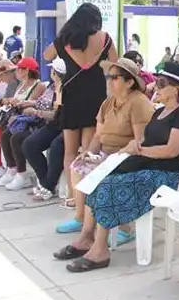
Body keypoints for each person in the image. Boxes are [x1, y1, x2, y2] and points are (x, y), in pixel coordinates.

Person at [55, 62, 179, 273]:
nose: (156, 86)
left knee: (106, 185)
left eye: (161, 83)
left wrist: (137, 150)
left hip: (164, 175)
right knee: (97, 179)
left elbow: (171, 151)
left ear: (177, 88)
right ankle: (87, 237)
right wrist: (132, 148)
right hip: (146, 165)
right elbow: (145, 141)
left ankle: (99, 249)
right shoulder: (160, 112)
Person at [56, 57, 155, 237]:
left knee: (100, 175)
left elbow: (140, 140)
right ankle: (81, 218)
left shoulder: (139, 103)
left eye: (114, 77)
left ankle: (124, 227)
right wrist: (89, 152)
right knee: (78, 166)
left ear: (130, 82)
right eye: (108, 77)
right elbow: (98, 135)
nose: (109, 80)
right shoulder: (109, 102)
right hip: (107, 153)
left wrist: (113, 156)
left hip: (129, 157)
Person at [43, 2, 119, 218]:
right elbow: (115, 63)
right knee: (88, 150)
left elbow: (47, 55)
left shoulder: (65, 39)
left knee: (69, 151)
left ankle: (73, 196)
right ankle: (87, 199)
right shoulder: (105, 38)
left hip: (72, 95)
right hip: (95, 94)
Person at [0, 57, 47, 181]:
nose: (16, 71)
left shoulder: (37, 85)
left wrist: (17, 103)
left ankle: (19, 172)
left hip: (29, 122)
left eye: (18, 69)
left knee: (11, 137)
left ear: (26, 70)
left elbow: (34, 104)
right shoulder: (20, 84)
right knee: (0, 134)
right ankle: (10, 169)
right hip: (17, 119)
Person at [23, 58, 69, 203]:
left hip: (67, 125)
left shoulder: (66, 88)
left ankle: (49, 186)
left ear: (55, 73)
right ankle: (45, 182)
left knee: (57, 146)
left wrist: (36, 113)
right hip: (53, 124)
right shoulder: (52, 87)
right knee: (29, 144)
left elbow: (58, 113)